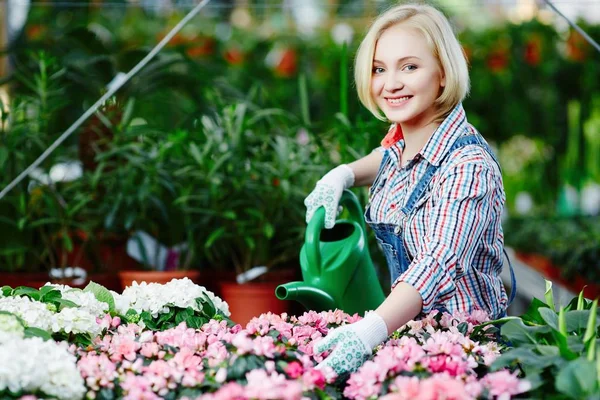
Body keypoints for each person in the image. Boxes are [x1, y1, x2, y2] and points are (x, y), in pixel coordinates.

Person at [303, 3, 516, 375]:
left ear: (444, 74)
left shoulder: (469, 166)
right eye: (379, 69)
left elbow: (437, 261)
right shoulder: (404, 146)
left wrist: (368, 331)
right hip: (413, 340)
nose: (391, 83)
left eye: (410, 67)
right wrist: (342, 175)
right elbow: (386, 157)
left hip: (467, 353)